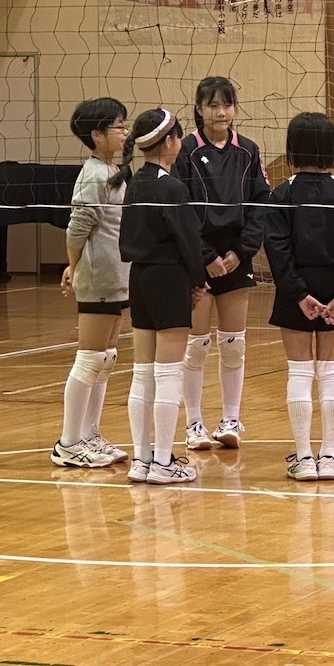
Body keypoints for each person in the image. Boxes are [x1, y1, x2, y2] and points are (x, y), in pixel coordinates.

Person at [263, 112, 334, 482]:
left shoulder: (282, 195)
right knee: (329, 370)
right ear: (333, 149)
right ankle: (329, 456)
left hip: (296, 293)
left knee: (300, 371)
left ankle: (305, 457)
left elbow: (276, 250)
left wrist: (299, 295)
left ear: (293, 149)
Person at [172, 75, 271, 450]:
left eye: (226, 104)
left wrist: (240, 252)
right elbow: (179, 210)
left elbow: (260, 204)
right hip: (198, 260)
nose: (221, 112)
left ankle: (230, 419)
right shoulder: (184, 151)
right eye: (212, 105)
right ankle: (193, 424)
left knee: (233, 344)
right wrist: (206, 257)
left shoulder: (248, 150)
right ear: (199, 109)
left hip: (235, 259)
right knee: (196, 344)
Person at [116, 107, 209, 485]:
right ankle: (163, 462)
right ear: (169, 142)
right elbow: (189, 240)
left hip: (139, 278)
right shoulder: (172, 187)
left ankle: (142, 460)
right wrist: (198, 280)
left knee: (143, 373)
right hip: (169, 277)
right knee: (169, 372)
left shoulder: (134, 182)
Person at [51, 97, 131, 470]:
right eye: (118, 126)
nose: (125, 131)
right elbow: (77, 228)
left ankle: (90, 434)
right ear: (97, 134)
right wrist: (74, 266)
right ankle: (68, 443)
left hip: (116, 276)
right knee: (90, 358)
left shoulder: (111, 170)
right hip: (99, 275)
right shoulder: (93, 174)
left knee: (106, 358)